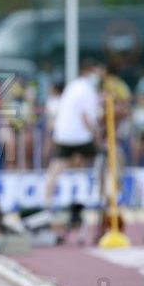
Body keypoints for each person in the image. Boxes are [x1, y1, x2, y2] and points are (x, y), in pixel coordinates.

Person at [43, 60, 105, 212]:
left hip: (62, 134)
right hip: (79, 135)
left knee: (56, 167)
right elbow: (86, 118)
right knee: (102, 159)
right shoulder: (87, 89)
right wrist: (97, 137)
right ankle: (105, 199)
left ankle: (47, 203)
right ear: (88, 72)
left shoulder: (72, 86)